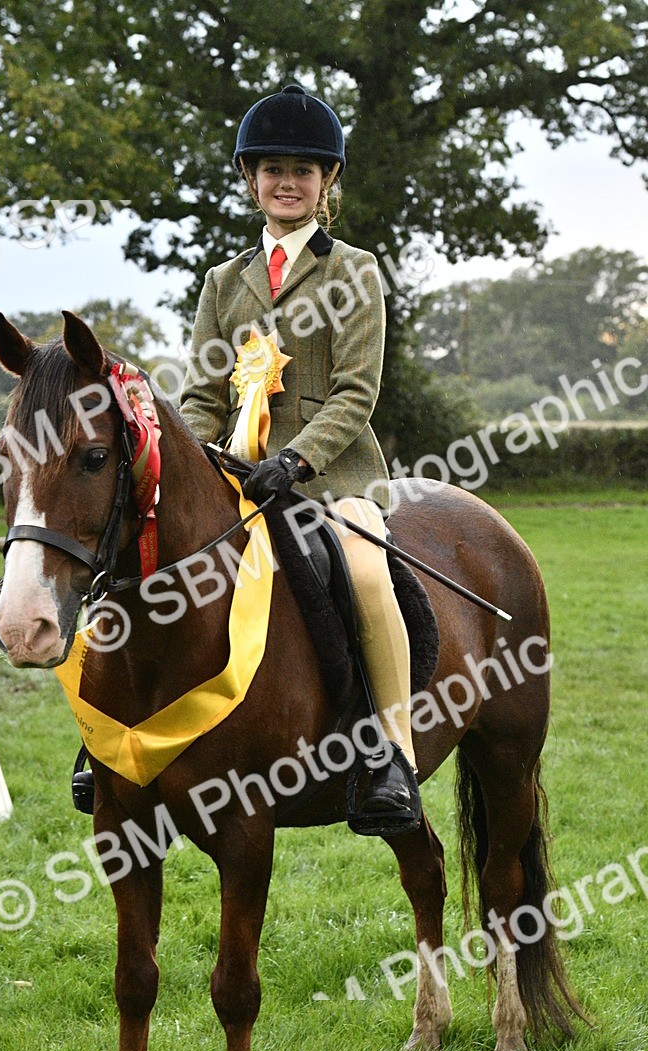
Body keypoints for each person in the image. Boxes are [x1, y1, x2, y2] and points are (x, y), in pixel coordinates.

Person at [178, 83, 422, 836]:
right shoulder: (224, 283)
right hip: (233, 477)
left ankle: (390, 753)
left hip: (329, 479)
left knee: (367, 571)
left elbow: (356, 394)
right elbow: (199, 397)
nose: (287, 181)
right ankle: (117, 747)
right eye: (273, 168)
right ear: (251, 179)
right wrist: (197, 462)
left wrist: (296, 461)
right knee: (145, 561)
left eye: (305, 170)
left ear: (328, 184)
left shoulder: (353, 270)